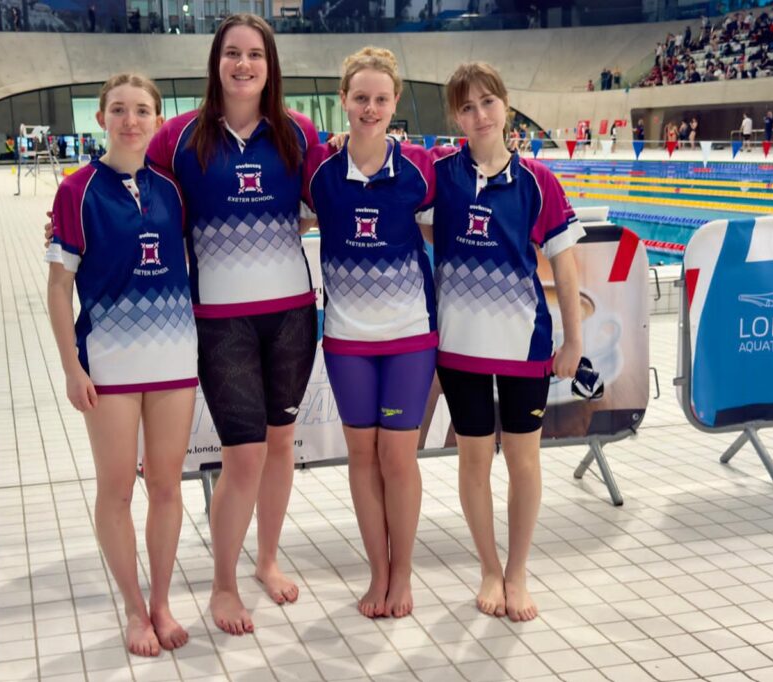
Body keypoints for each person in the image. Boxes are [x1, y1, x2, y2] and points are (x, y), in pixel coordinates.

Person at [144, 14, 319, 635]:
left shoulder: (297, 133)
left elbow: (334, 200)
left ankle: (267, 559)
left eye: (255, 55)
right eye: (233, 54)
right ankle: (223, 583)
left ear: (271, 67)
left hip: (292, 316)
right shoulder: (179, 138)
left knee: (281, 444)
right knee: (242, 455)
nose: (243, 65)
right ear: (216, 63)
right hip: (221, 323)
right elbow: (135, 196)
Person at [45, 73, 198, 656]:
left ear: (158, 118)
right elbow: (58, 288)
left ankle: (160, 601)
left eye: (140, 110)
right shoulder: (76, 190)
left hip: (173, 358)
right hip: (108, 363)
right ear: (100, 118)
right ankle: (134, 609)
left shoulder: (173, 189)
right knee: (115, 487)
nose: (130, 121)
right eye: (118, 110)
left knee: (165, 485)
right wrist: (72, 367)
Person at [427, 62, 583, 621]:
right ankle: (489, 569)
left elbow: (565, 268)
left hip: (524, 346)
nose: (480, 115)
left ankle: (517, 572)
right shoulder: (438, 176)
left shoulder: (539, 181)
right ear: (456, 117)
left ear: (506, 105)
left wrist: (573, 341)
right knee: (473, 460)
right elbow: (381, 168)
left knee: (523, 460)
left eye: (488, 102)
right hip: (461, 347)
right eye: (467, 107)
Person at [302, 47, 437, 620]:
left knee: (398, 457)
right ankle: (377, 572)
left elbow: (450, 231)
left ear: (395, 101)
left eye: (381, 99)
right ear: (344, 100)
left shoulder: (419, 169)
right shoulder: (320, 172)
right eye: (361, 98)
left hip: (409, 336)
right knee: (362, 456)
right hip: (347, 339)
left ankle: (402, 573)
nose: (371, 108)